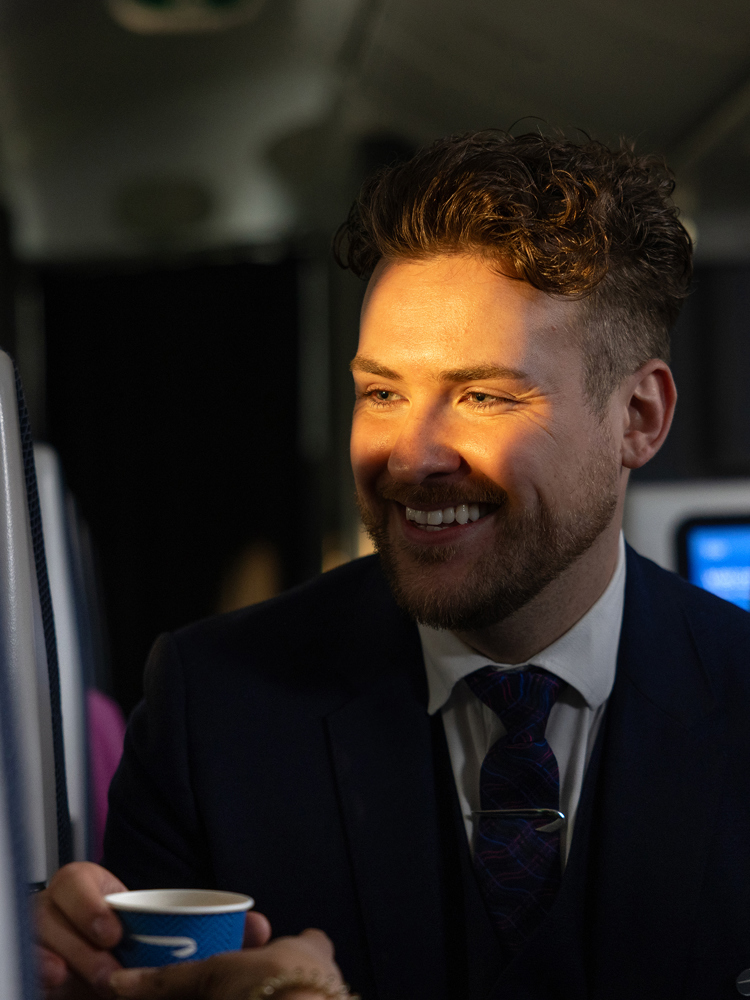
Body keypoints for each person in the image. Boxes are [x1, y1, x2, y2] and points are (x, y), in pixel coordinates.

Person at [36, 131, 750, 1000]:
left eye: (484, 395)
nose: (410, 457)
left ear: (638, 416)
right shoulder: (213, 709)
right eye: (382, 393)